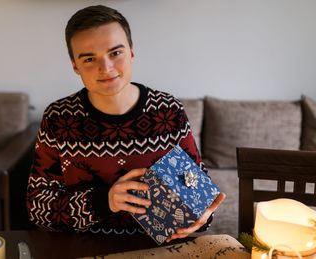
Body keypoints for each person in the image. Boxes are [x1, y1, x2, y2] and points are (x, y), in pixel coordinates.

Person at [26, 5, 225, 243]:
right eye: (89, 58)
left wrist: (203, 214)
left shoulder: (169, 110)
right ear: (75, 65)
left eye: (115, 53)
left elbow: (195, 185)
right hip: (86, 245)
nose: (106, 68)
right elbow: (37, 207)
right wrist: (104, 201)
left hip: (161, 247)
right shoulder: (59, 118)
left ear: (131, 52)